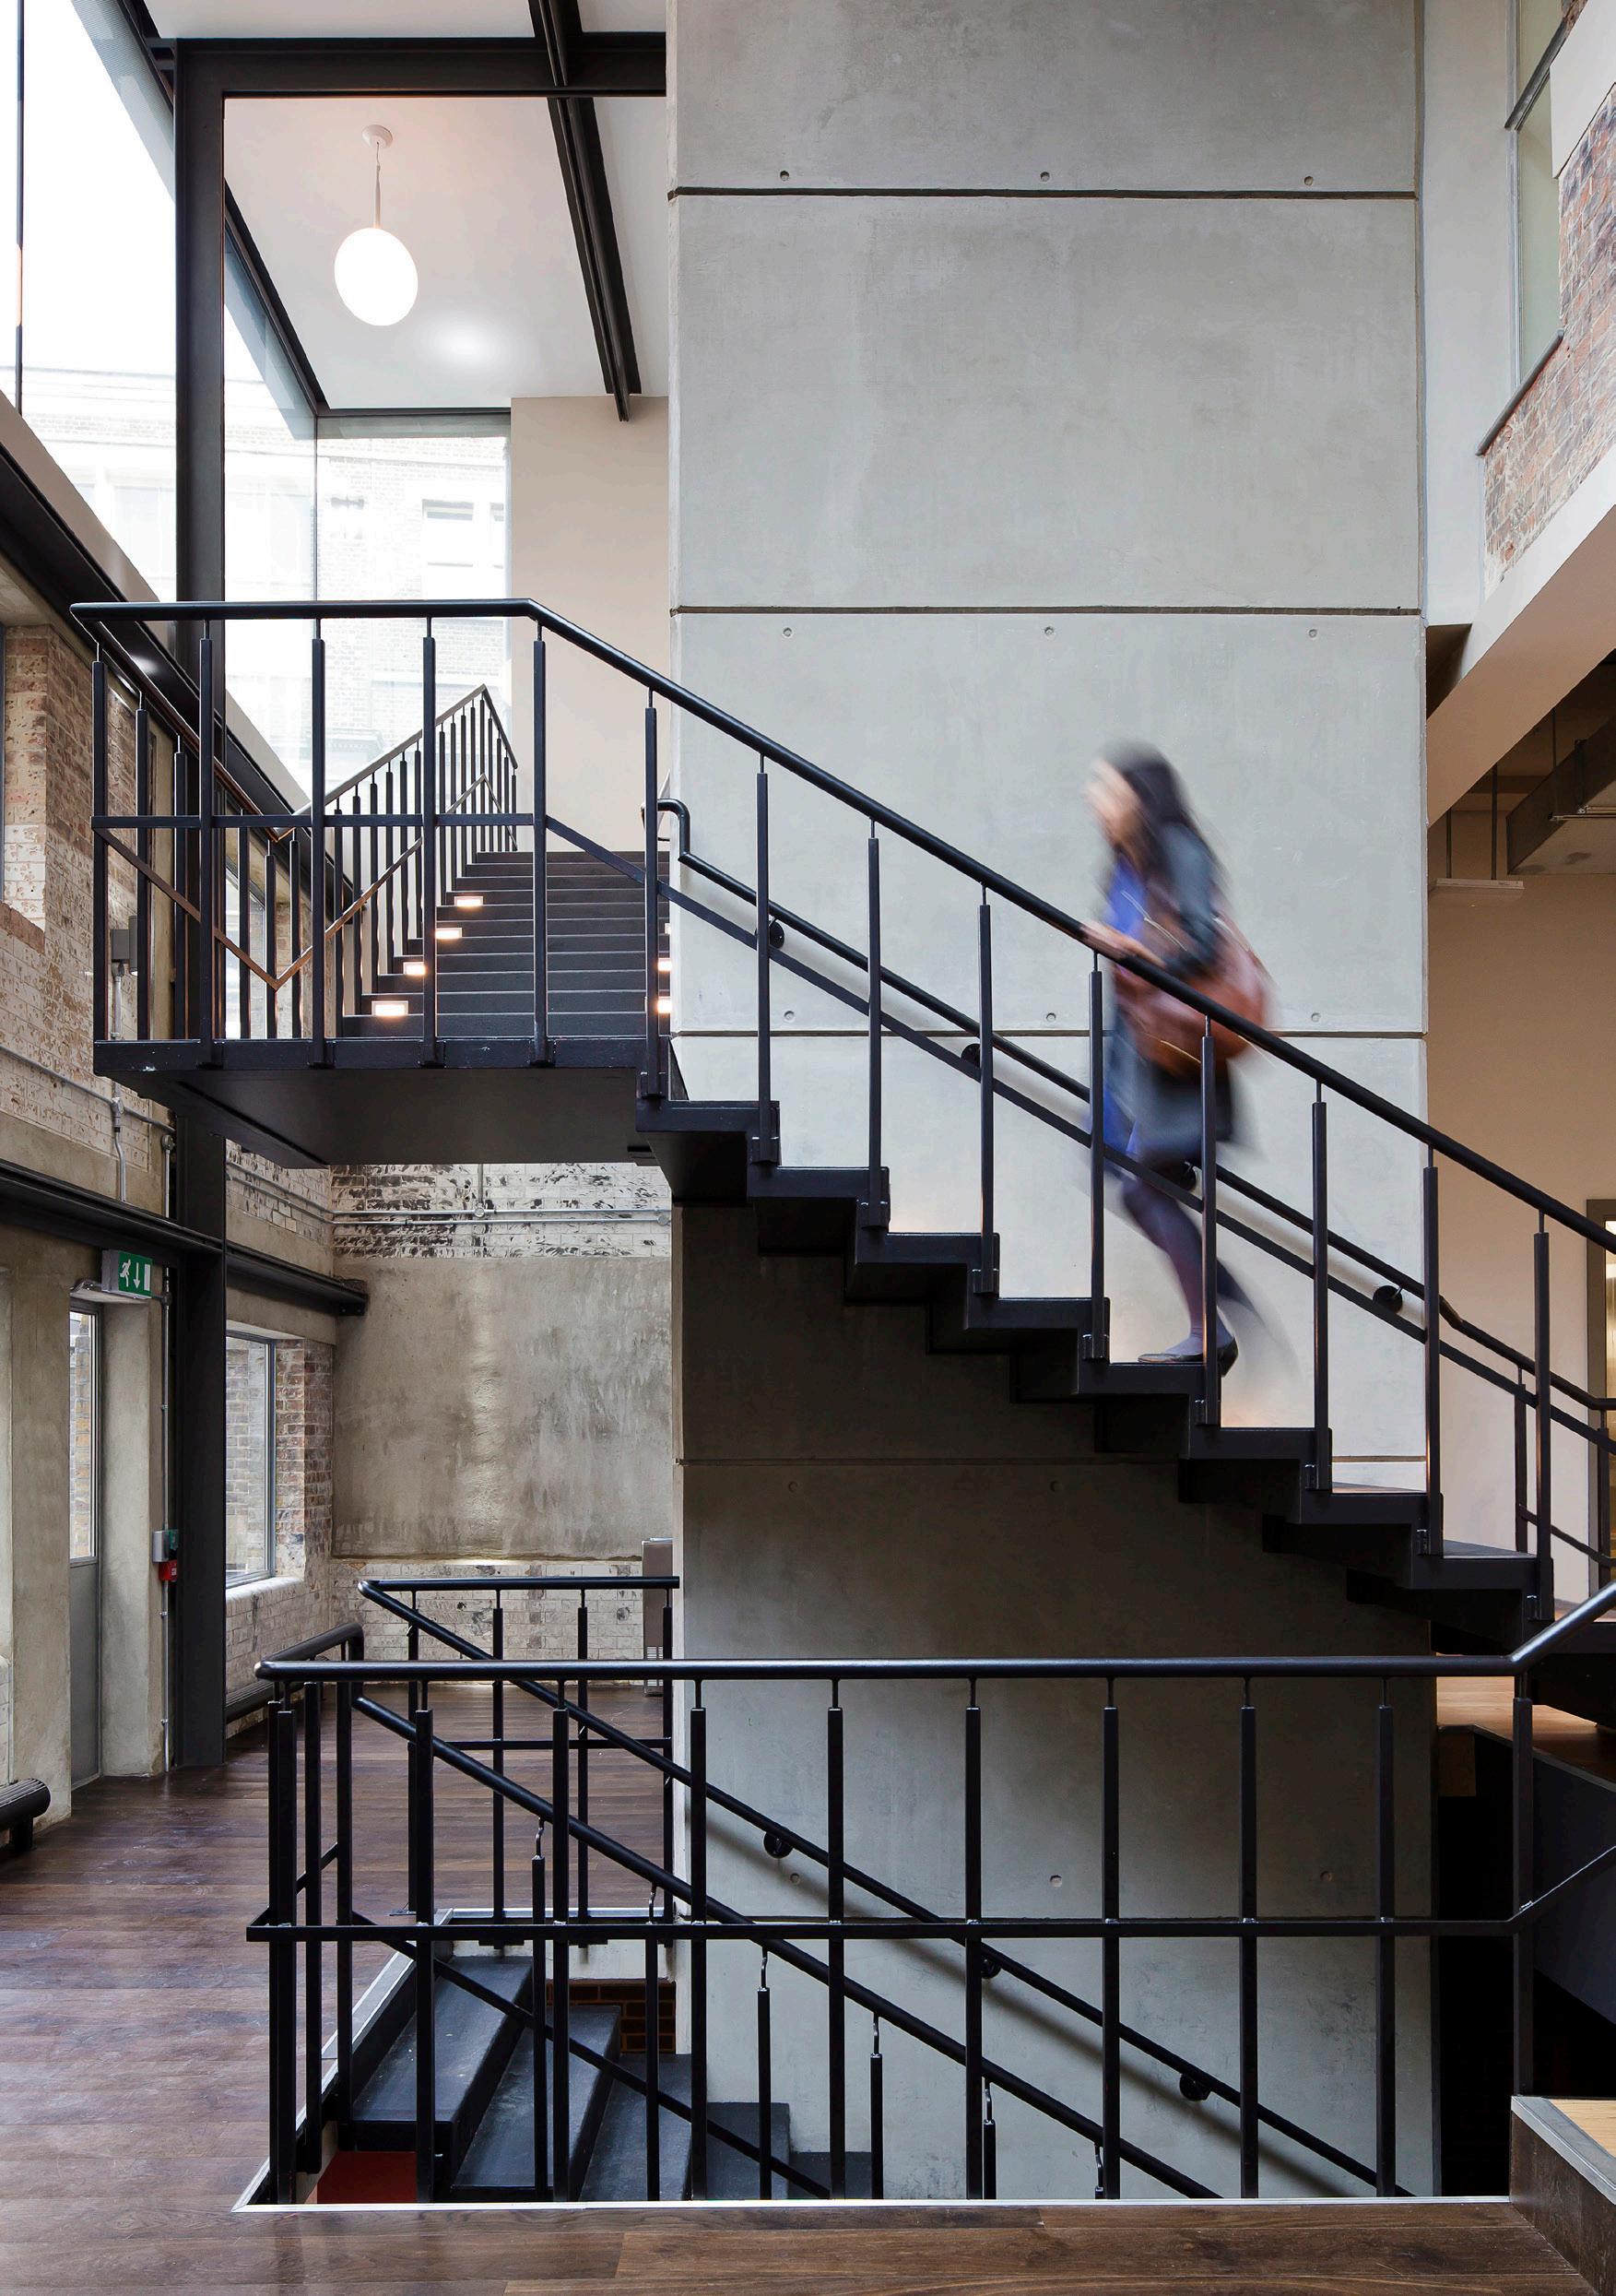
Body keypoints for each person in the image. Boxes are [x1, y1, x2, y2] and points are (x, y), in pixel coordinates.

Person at [1085, 740, 1254, 1370]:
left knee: (1143, 1188)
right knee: (1137, 1187)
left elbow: (1205, 944)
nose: (1095, 799)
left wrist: (1132, 952)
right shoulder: (1125, 867)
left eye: (1107, 788)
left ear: (1139, 797)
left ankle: (1216, 1329)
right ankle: (1217, 1318)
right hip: (1139, 1057)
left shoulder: (1178, 849)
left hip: (1178, 1057)